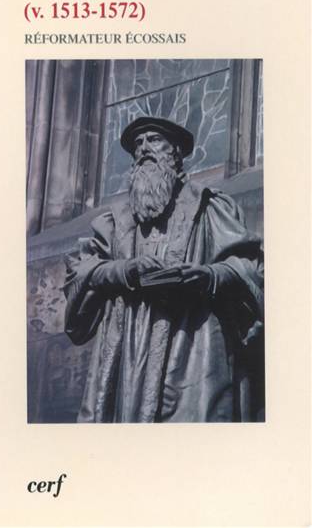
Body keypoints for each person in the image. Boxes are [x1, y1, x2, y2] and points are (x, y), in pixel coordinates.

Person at [64, 117, 264, 423]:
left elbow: (251, 268)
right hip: (128, 351)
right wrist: (125, 270)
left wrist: (209, 277)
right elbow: (80, 270)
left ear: (176, 152)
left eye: (154, 140)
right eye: (138, 144)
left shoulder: (209, 209)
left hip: (193, 343)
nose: (144, 148)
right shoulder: (114, 223)